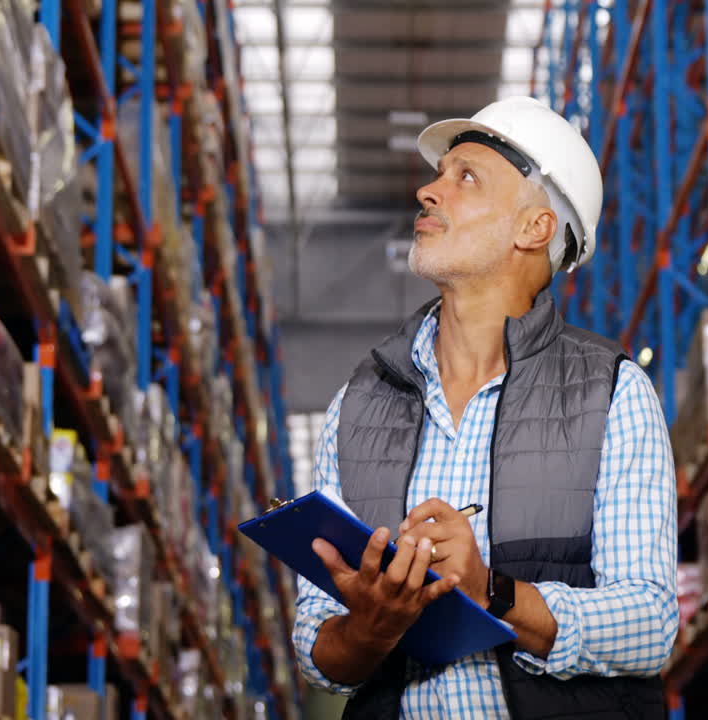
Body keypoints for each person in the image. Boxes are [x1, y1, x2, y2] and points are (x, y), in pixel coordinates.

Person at [291, 96, 678, 719]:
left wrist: (489, 591)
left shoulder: (611, 393)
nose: (427, 192)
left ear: (535, 229)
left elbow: (650, 624)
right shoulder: (357, 408)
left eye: (464, 176)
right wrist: (372, 628)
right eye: (438, 176)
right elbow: (316, 647)